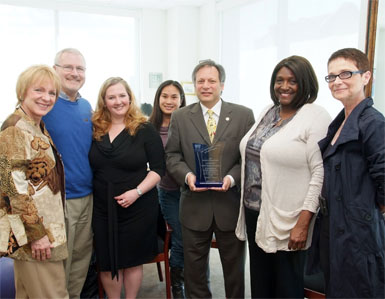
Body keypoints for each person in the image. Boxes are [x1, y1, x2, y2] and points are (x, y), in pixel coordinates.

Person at [235, 55, 331, 298]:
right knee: (260, 282)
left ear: (306, 83)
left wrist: (303, 222)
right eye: (279, 80)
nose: (284, 86)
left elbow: (320, 173)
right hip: (256, 211)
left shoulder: (315, 116)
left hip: (290, 219)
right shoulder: (268, 111)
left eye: (293, 81)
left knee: (286, 287)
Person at [166, 60, 255, 298]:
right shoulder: (181, 117)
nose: (206, 86)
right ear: (194, 85)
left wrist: (231, 178)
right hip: (194, 206)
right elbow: (172, 155)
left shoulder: (243, 115)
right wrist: (187, 176)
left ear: (222, 85)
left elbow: (247, 159)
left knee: (234, 271)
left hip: (230, 205)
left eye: (212, 81)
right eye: (200, 81)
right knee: (194, 272)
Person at [316, 48, 385, 298]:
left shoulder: (373, 123)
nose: (337, 81)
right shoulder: (339, 122)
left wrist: (365, 210)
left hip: (359, 234)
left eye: (345, 73)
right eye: (331, 76)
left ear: (366, 77)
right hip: (334, 229)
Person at [89, 77, 165, 298]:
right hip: (102, 207)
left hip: (137, 206)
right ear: (104, 101)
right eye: (111, 97)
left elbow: (159, 169)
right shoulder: (95, 128)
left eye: (122, 95)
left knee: (132, 261)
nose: (118, 101)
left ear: (130, 98)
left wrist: (137, 192)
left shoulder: (144, 129)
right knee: (106, 261)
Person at [0, 65, 68, 298]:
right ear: (23, 91)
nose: (46, 97)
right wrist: (37, 234)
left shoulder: (35, 124)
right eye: (39, 90)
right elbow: (11, 188)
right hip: (35, 235)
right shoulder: (16, 128)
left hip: (41, 231)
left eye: (52, 93)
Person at [42, 48, 93, 298]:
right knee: (58, 266)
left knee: (80, 264)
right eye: (68, 67)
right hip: (59, 200)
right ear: (55, 70)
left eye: (80, 68)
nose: (74, 73)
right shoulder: (45, 105)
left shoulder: (86, 107)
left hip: (87, 197)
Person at [149, 80, 186, 298]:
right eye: (165, 96)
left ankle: (195, 279)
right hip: (168, 192)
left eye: (174, 96)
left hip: (191, 191)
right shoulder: (149, 127)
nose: (169, 101)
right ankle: (177, 285)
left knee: (192, 238)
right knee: (180, 236)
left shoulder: (188, 123)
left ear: (181, 99)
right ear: (158, 98)